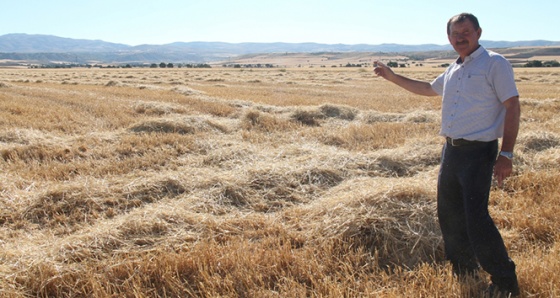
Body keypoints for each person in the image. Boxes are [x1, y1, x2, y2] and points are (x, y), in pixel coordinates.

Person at [374, 13, 521, 296]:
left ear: (478, 32)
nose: (460, 38)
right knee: (449, 215)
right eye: (455, 34)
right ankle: (464, 269)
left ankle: (505, 282)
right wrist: (392, 77)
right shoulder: (454, 68)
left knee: (476, 219)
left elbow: (512, 106)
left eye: (466, 32)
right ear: (449, 38)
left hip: (479, 152)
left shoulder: (494, 63)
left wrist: (507, 154)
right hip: (451, 151)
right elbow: (428, 88)